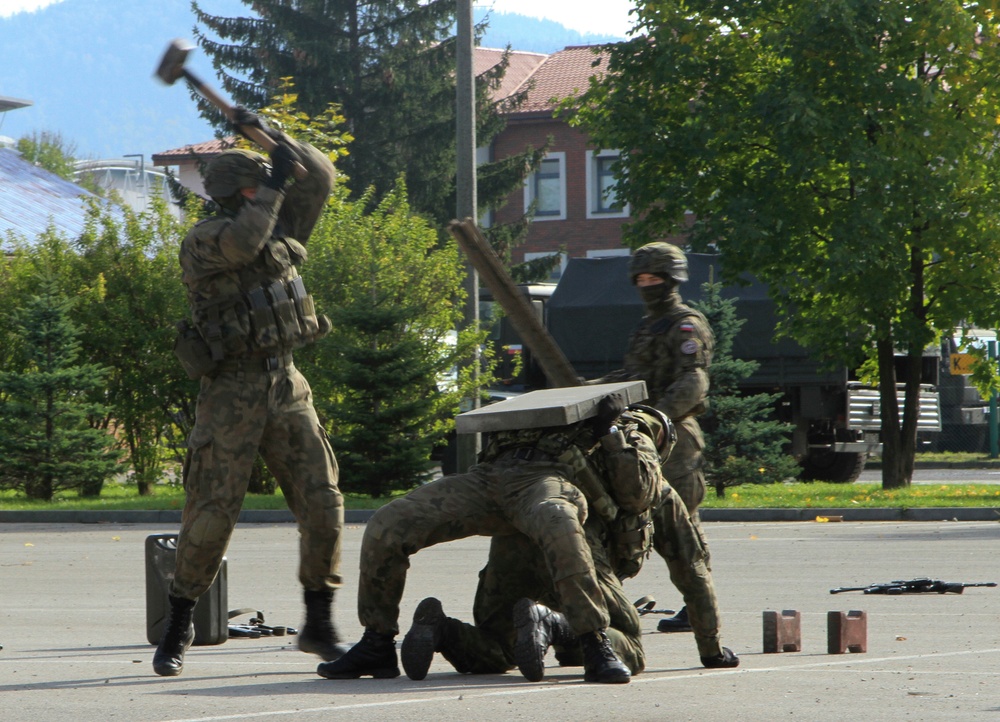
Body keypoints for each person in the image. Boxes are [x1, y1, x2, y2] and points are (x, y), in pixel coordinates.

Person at [153, 109, 345, 677]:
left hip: (286, 384)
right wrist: (275, 183)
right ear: (241, 190)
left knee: (323, 502)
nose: (271, 185)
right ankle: (180, 620)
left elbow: (322, 177)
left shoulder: (281, 227)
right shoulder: (205, 240)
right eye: (259, 179)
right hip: (231, 390)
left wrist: (270, 135)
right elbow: (244, 244)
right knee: (212, 512)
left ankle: (319, 618)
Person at [315, 390, 650, 685]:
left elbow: (636, 495)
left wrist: (609, 430)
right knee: (388, 522)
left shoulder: (625, 426)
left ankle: (593, 642)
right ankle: (377, 642)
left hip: (544, 478)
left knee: (557, 517)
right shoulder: (533, 409)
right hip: (490, 477)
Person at [399, 405, 738, 682]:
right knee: (630, 645)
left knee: (500, 650)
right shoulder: (656, 492)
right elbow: (692, 571)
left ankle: (441, 629)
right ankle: (556, 624)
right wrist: (711, 649)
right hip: (578, 565)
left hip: (510, 562)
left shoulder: (558, 465)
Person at [591, 242, 716, 634]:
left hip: (674, 436)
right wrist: (587, 391)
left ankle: (698, 605)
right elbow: (631, 377)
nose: (647, 284)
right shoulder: (648, 327)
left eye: (655, 278)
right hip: (641, 437)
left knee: (682, 524)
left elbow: (694, 381)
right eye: (641, 278)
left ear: (672, 278)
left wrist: (656, 417)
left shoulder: (685, 324)